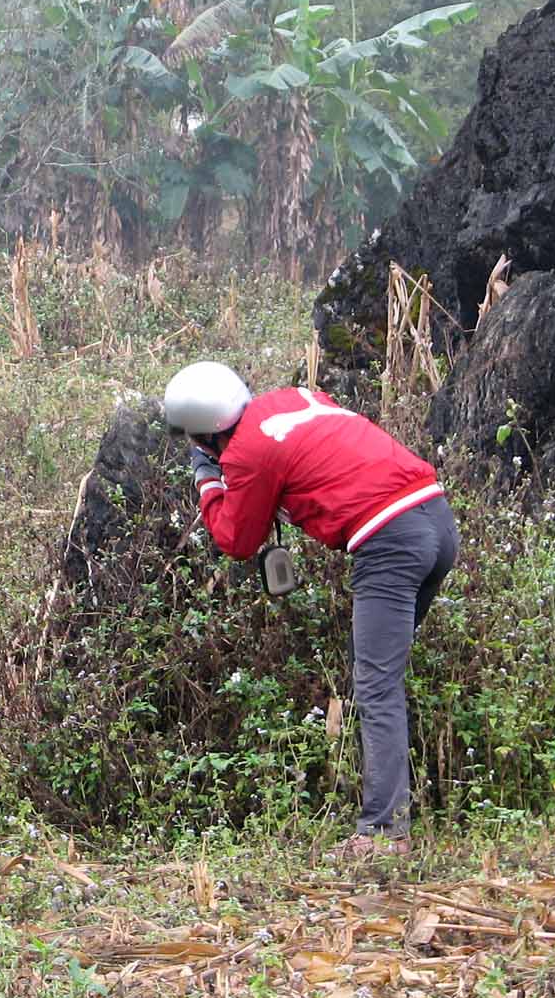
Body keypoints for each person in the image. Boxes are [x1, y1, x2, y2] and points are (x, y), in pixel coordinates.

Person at [162, 360, 459, 859]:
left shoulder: (245, 453)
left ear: (204, 433)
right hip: (437, 519)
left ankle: (384, 834)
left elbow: (235, 539)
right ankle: (394, 807)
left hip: (390, 541)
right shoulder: (297, 397)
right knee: (377, 678)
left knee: (376, 685)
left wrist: (207, 479)